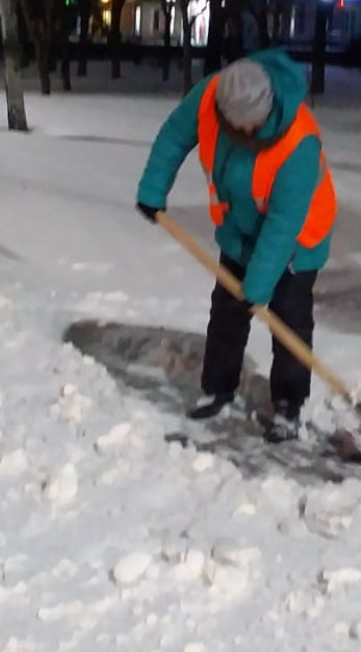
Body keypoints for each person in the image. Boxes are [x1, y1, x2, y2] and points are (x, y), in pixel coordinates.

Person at [135, 48, 337, 441]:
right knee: (226, 312)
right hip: (240, 229)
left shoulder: (299, 144)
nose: (245, 134)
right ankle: (218, 389)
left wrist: (258, 286)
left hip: (297, 239)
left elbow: (282, 226)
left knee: (289, 321)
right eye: (237, 125)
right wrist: (153, 188)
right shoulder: (212, 96)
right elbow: (176, 133)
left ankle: (289, 406)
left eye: (253, 126)